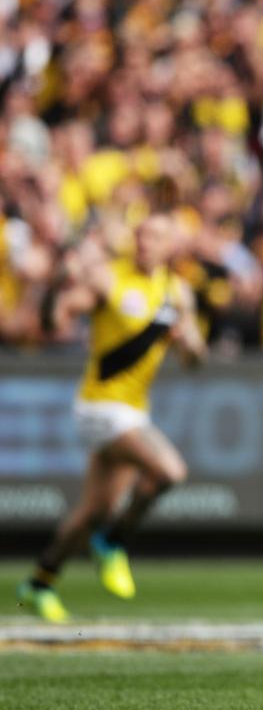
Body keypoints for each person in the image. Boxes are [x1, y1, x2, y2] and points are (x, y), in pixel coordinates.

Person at [15, 213, 207, 623]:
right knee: (170, 471)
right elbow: (53, 321)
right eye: (140, 235)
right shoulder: (108, 278)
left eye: (155, 236)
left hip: (131, 411)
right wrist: (54, 284)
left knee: (92, 510)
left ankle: (39, 582)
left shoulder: (177, 292)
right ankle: (113, 541)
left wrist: (188, 340)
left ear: (170, 246)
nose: (144, 242)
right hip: (100, 408)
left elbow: (194, 360)